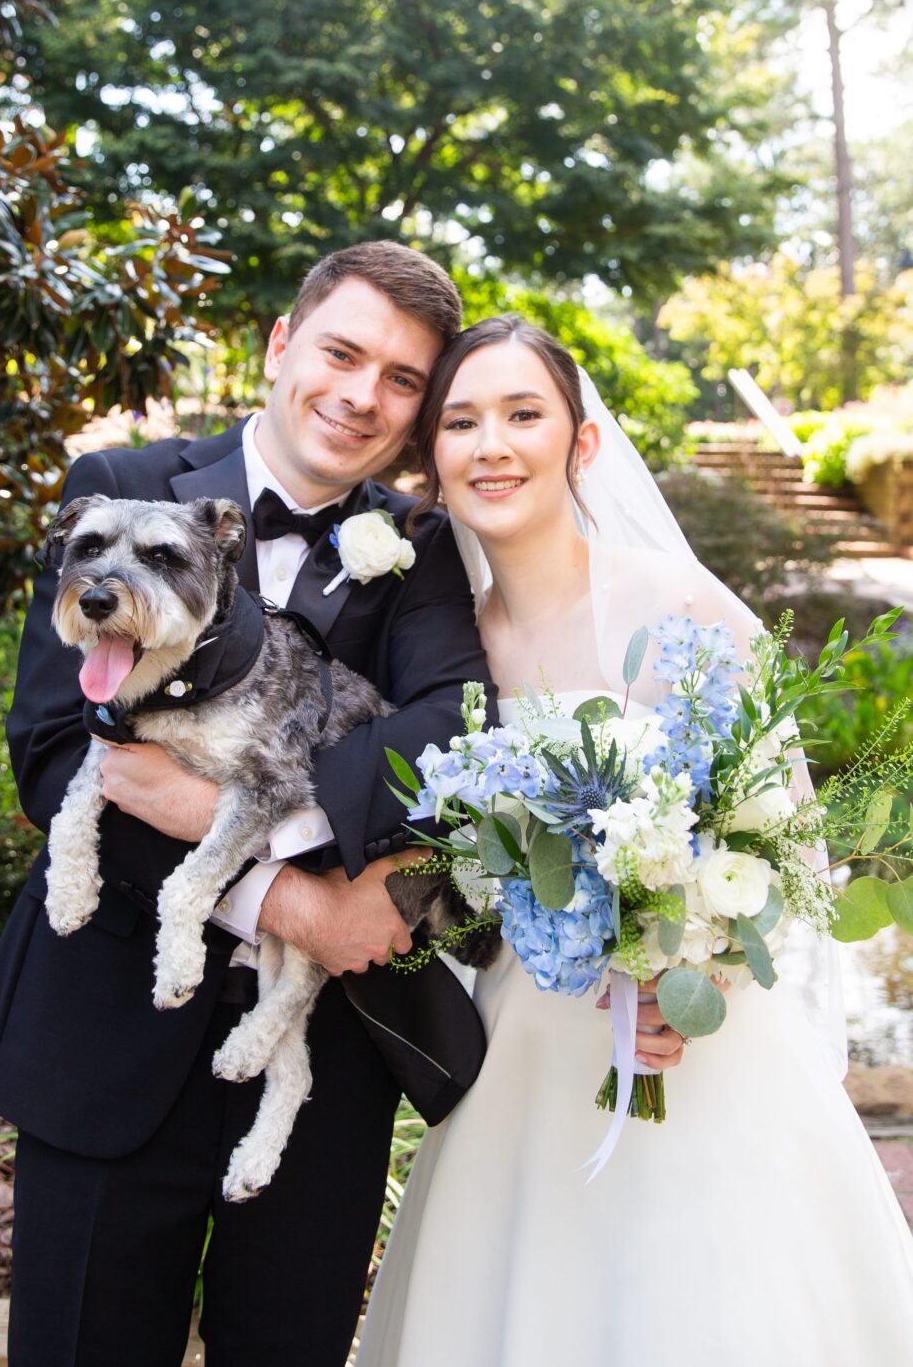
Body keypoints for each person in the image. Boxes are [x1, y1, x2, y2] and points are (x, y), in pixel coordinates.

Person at [0, 242, 505, 1367]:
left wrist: (243, 811)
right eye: (342, 352)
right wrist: (286, 903)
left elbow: (450, 730)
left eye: (402, 379)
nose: (361, 395)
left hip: (323, 1069)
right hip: (101, 1030)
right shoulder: (122, 487)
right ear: (280, 345)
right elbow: (58, 753)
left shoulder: (430, 550)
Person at [356, 315, 913, 1367]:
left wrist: (697, 979)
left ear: (583, 444)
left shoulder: (678, 604)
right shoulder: (449, 643)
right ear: (434, 452)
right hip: (525, 1040)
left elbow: (786, 838)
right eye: (463, 420)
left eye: (525, 414)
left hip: (691, 1051)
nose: (492, 445)